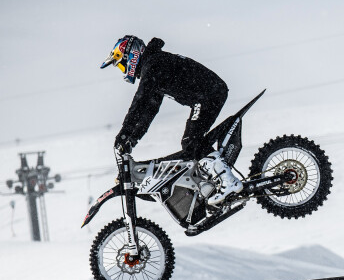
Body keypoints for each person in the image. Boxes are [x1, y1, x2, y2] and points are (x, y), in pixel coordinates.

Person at [100, 35, 243, 206]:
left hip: (208, 95)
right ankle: (214, 180)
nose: (124, 70)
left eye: (122, 64)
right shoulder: (154, 66)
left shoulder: (152, 64)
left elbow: (140, 101)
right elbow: (148, 112)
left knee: (191, 142)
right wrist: (132, 138)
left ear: (132, 54)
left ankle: (228, 181)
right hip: (208, 94)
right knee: (191, 145)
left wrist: (124, 133)